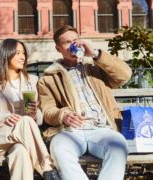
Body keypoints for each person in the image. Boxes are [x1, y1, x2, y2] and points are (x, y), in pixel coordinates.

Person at [38, 25, 132, 180]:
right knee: (59, 148)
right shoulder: (48, 78)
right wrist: (63, 115)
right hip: (70, 131)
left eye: (75, 40)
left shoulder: (96, 68)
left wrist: (95, 54)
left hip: (102, 129)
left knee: (118, 146)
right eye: (67, 42)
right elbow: (48, 111)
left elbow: (125, 75)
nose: (73, 45)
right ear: (58, 48)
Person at [0, 38, 60, 180]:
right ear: (6, 54)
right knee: (25, 121)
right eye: (17, 53)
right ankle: (47, 167)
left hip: (22, 141)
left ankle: (47, 170)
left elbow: (39, 119)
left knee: (21, 152)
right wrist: (6, 117)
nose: (22, 56)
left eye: (23, 53)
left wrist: (35, 114)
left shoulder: (33, 81)